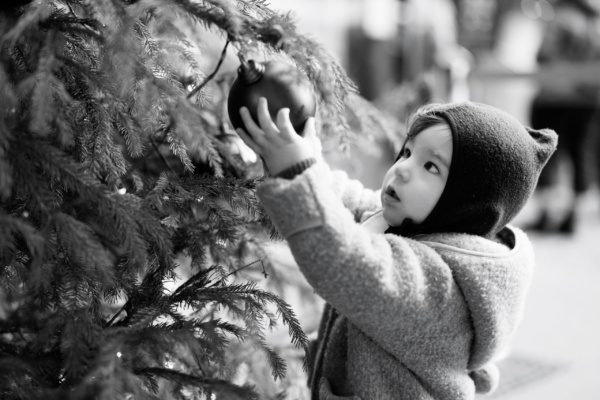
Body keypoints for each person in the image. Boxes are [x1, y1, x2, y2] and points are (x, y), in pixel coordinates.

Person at [235, 98, 557, 399]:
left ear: (468, 202)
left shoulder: (441, 289)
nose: (403, 169)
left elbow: (346, 261)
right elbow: (347, 204)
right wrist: (306, 160)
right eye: (407, 153)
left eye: (431, 167)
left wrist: (296, 172)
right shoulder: (418, 222)